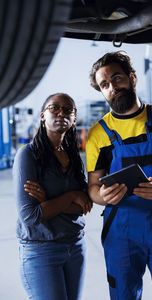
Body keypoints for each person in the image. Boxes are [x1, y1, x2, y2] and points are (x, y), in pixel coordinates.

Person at [86, 51, 152, 300]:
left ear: (132, 78)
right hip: (120, 229)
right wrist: (103, 196)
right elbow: (92, 188)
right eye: (105, 85)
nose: (113, 87)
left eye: (117, 78)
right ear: (102, 92)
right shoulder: (97, 134)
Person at [13, 93, 92, 300]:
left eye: (68, 110)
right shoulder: (28, 155)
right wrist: (72, 196)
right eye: (54, 108)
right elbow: (30, 216)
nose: (61, 113)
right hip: (41, 250)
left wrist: (46, 201)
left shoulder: (74, 156)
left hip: (75, 246)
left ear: (74, 118)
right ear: (42, 116)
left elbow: (85, 205)